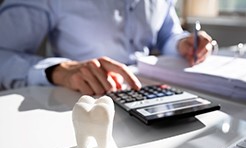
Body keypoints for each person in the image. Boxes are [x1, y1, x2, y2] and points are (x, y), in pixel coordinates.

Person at [0, 0, 214, 95]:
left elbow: (167, 35)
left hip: (152, 94)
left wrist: (181, 44)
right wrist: (57, 70)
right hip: (77, 100)